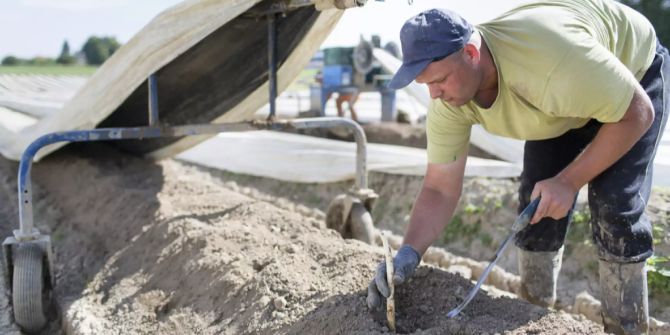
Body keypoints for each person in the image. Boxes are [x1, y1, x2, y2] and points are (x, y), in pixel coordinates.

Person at [365, 1, 668, 334]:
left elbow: (636, 113)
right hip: (565, 102)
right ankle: (535, 317)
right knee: (535, 204)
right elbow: (439, 187)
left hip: (630, 79)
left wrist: (568, 182)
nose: (434, 95)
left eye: (439, 80)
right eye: (426, 85)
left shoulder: (548, 62)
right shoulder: (449, 102)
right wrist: (408, 253)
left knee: (614, 203)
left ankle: (627, 327)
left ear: (470, 53)